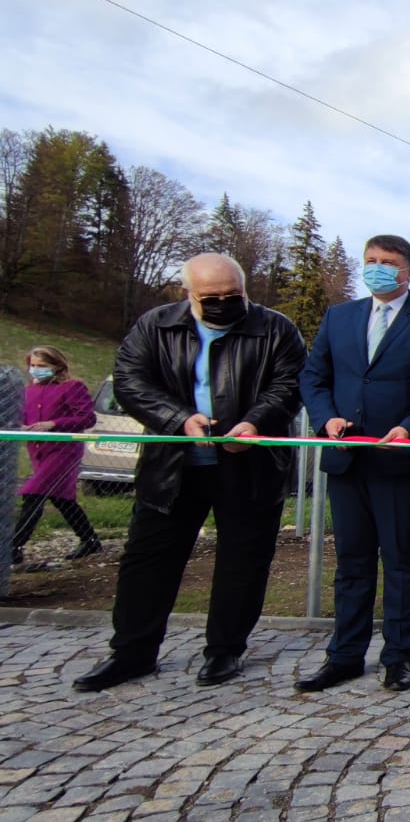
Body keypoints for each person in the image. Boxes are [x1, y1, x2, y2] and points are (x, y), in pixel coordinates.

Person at [72, 253, 307, 691]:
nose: (223, 303)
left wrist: (255, 422)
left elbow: (290, 384)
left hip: (250, 465)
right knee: (147, 560)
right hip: (172, 466)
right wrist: (178, 418)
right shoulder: (155, 325)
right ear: (188, 293)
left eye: (233, 295)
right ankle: (132, 653)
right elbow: (130, 381)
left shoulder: (276, 328)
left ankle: (224, 651)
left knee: (243, 562)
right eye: (211, 297)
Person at [296, 235, 410, 693]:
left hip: (399, 459)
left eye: (387, 262)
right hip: (346, 457)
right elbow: (314, 376)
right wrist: (325, 418)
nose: (377, 268)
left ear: (409, 271)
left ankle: (397, 657)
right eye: (370, 260)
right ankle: (344, 656)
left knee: (401, 560)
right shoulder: (339, 316)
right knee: (351, 562)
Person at [12, 345, 101, 566]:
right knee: (61, 498)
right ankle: (90, 540)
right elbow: (24, 416)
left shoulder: (72, 387)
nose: (36, 369)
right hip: (38, 451)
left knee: (33, 493)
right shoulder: (29, 390)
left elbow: (87, 418)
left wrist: (54, 423)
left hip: (63, 451)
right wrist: (21, 426)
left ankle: (13, 546)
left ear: (57, 366)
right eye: (33, 365)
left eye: (42, 365)